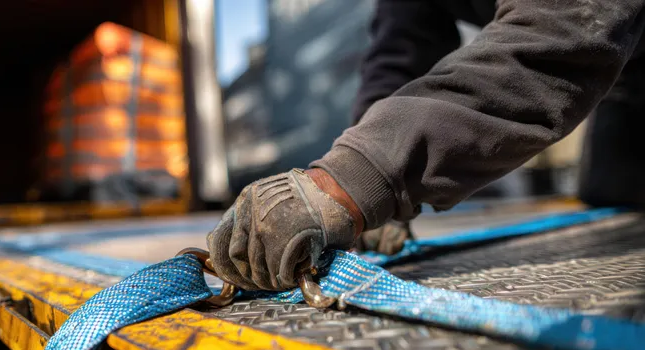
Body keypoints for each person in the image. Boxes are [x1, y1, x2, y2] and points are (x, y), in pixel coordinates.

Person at [207, 0, 645, 291]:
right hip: (627, 84)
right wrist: (371, 192)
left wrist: (355, 180)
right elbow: (399, 54)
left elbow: (564, 31)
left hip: (611, 37)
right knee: (615, 204)